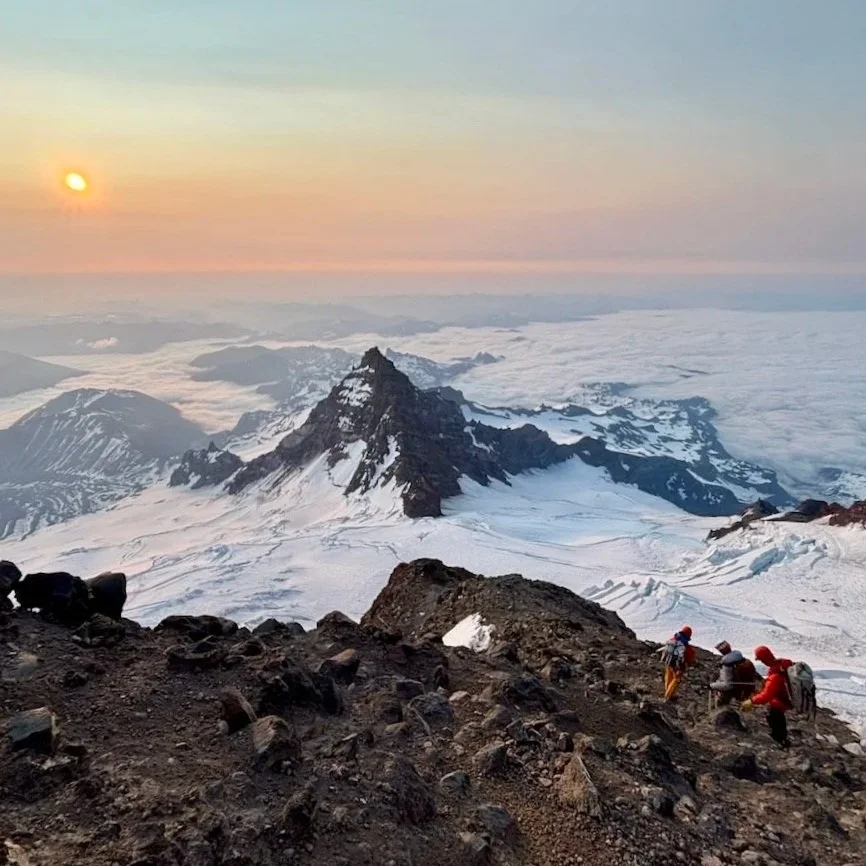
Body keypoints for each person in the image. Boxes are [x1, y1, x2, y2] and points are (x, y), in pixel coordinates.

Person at [741, 645, 792, 749]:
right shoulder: (781, 665)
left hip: (779, 702)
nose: (761, 662)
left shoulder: (775, 675)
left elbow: (767, 695)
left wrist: (751, 701)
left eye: (761, 659)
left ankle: (780, 742)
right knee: (778, 719)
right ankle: (782, 740)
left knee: (776, 720)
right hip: (784, 700)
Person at [710, 640, 759, 706]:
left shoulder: (727, 664)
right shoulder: (742, 659)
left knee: (721, 705)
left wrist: (712, 685)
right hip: (746, 690)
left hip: (732, 693)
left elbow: (727, 685)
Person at [660, 625, 696, 702]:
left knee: (668, 677)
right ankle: (668, 696)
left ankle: (668, 693)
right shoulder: (685, 646)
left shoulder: (673, 639)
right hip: (678, 666)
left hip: (668, 662)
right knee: (676, 679)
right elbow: (689, 657)